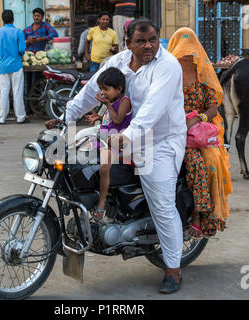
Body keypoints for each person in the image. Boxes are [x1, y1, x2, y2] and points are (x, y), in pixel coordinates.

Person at [46, 18, 187, 294]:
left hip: (158, 142)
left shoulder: (167, 66)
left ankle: (173, 268)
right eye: (141, 41)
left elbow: (152, 112)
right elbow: (90, 93)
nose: (149, 46)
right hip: (120, 132)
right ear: (128, 43)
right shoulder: (118, 62)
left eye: (153, 39)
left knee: (161, 203)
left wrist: (125, 138)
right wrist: (65, 117)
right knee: (77, 160)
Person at [167, 27, 233, 239]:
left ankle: (204, 216)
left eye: (191, 48)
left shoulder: (202, 73)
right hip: (173, 132)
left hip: (199, 133)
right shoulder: (168, 74)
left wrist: (199, 118)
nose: (187, 53)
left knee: (212, 160)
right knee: (193, 162)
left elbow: (213, 107)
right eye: (183, 48)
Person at [76, 67, 132, 219]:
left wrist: (107, 104)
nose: (103, 92)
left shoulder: (124, 101)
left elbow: (118, 120)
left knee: (104, 167)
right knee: (79, 155)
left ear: (119, 89)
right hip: (103, 136)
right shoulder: (111, 101)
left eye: (106, 89)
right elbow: (109, 120)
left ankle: (102, 201)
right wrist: (98, 117)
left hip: (116, 140)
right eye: (101, 89)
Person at [0, 10, 28, 124]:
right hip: (16, 65)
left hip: (3, 67)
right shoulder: (18, 32)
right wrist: (18, 54)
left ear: (3, 20)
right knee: (17, 91)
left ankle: (1, 118)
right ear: (13, 19)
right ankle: (20, 117)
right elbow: (22, 49)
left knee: (4, 91)